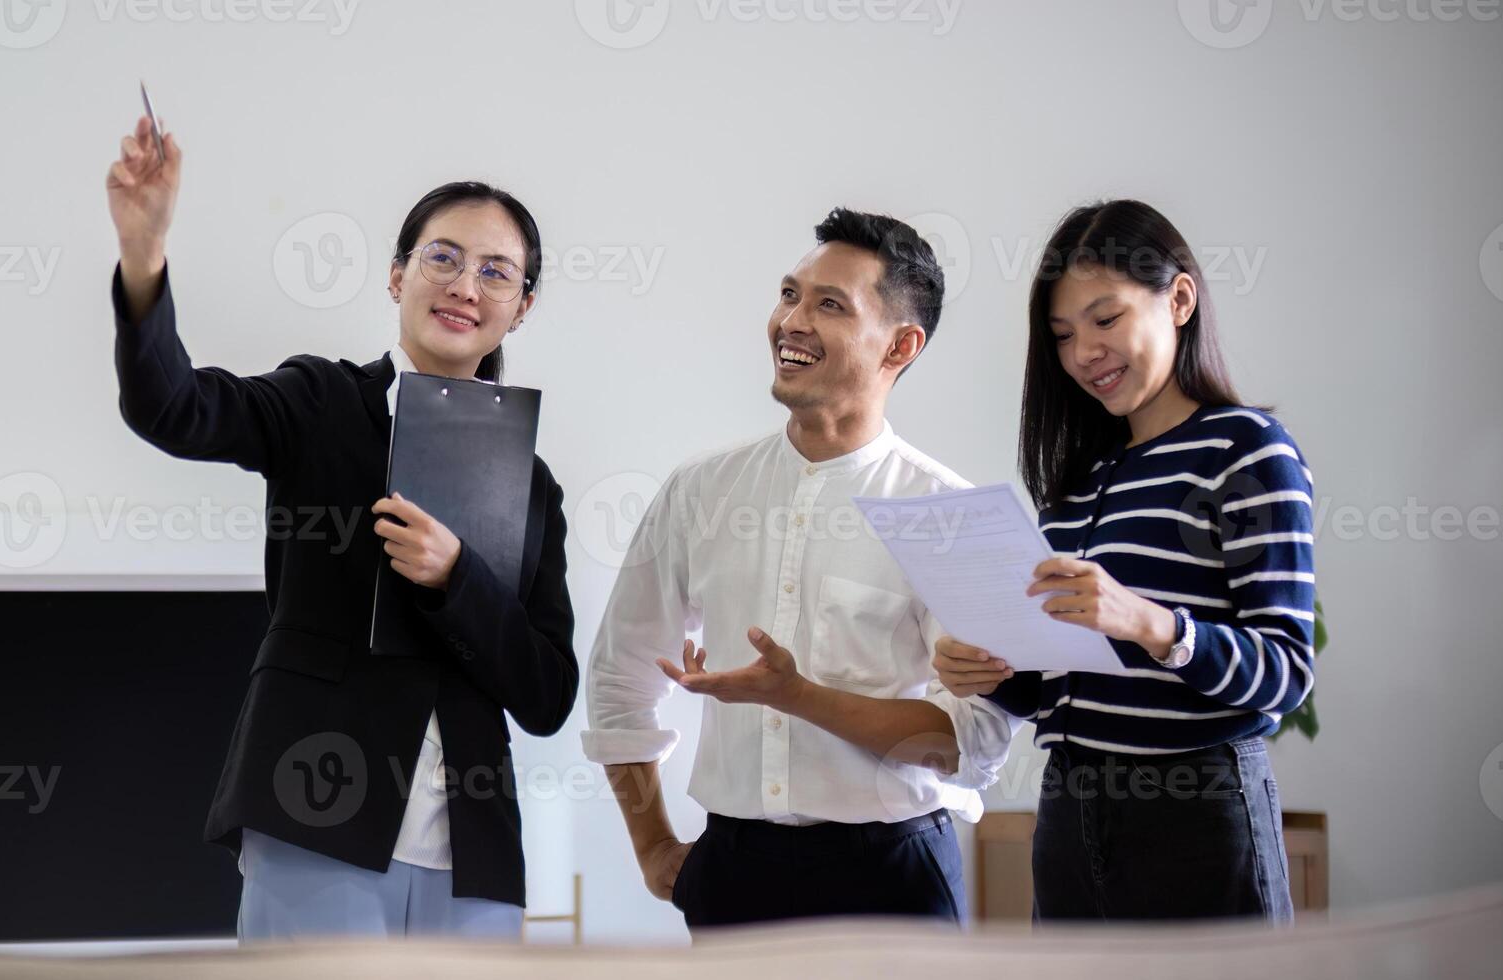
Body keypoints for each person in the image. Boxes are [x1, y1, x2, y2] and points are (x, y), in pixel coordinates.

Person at [103, 114, 578, 942]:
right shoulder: (319, 402)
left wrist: (457, 578)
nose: (467, 286)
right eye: (443, 257)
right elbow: (172, 407)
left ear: (522, 306)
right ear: (397, 277)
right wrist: (144, 257)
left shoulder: (532, 486)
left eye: (497, 272)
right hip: (313, 814)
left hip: (475, 862)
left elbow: (546, 694)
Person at [583, 207, 1020, 932]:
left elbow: (969, 746)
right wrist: (654, 846)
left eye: (829, 305)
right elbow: (617, 679)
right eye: (790, 294)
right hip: (733, 874)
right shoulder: (702, 490)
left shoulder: (949, 514)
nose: (792, 321)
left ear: (900, 346)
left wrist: (796, 696)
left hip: (893, 881)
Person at [933, 199, 1313, 923]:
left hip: (1197, 811)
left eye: (1105, 321)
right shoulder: (1078, 479)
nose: (1083, 354)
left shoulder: (1246, 448)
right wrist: (992, 673)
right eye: (1063, 335)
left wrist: (1152, 624)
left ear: (1178, 298)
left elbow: (1286, 674)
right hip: (1070, 810)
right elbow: (1063, 687)